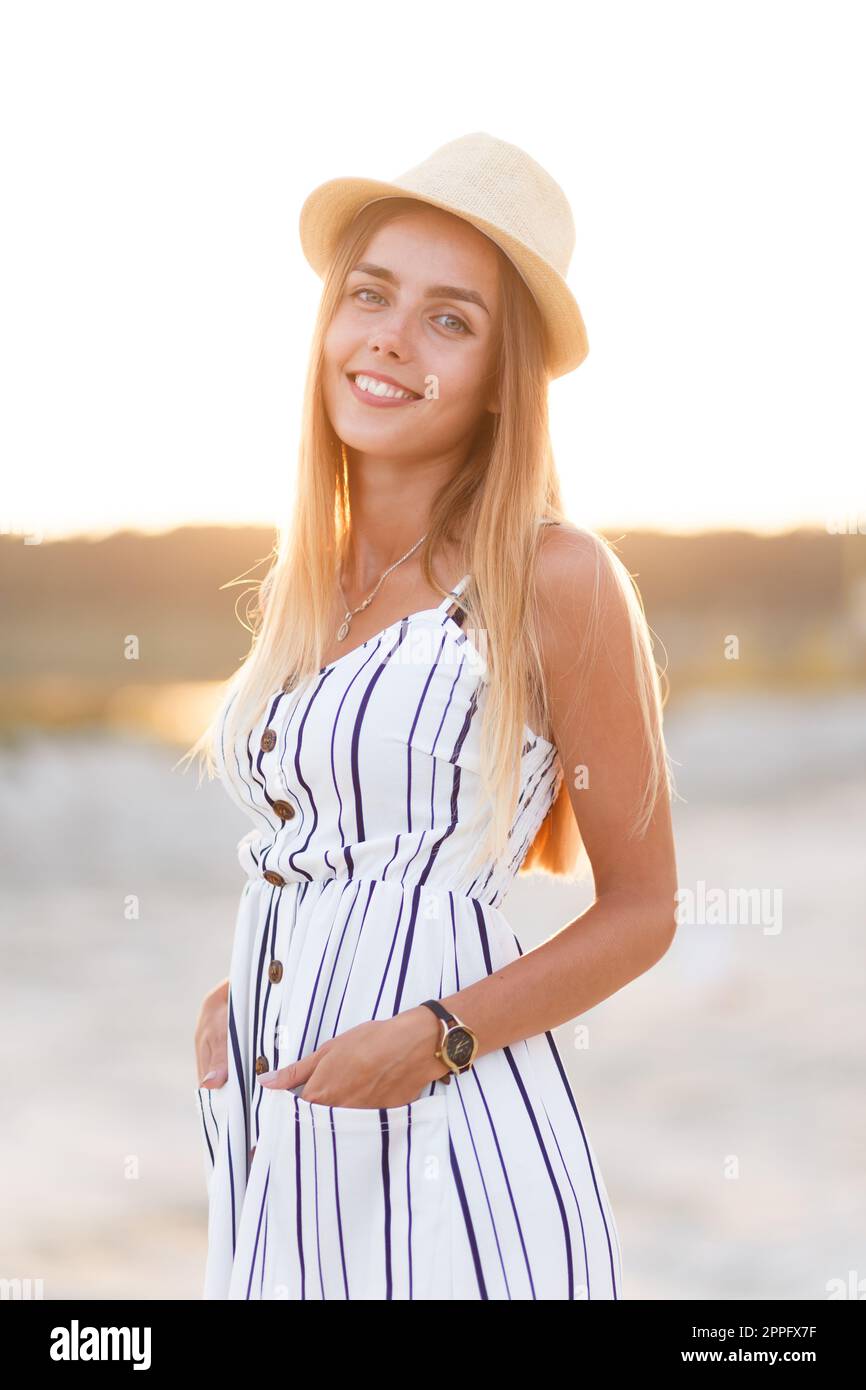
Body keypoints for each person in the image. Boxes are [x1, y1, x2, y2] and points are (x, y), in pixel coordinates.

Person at [179, 132, 678, 1300]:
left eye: (448, 319)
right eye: (370, 295)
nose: (390, 340)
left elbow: (646, 909)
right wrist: (243, 986)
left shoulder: (553, 576)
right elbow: (335, 852)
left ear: (503, 377)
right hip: (281, 1108)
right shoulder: (314, 578)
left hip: (447, 1125)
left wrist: (439, 1035)